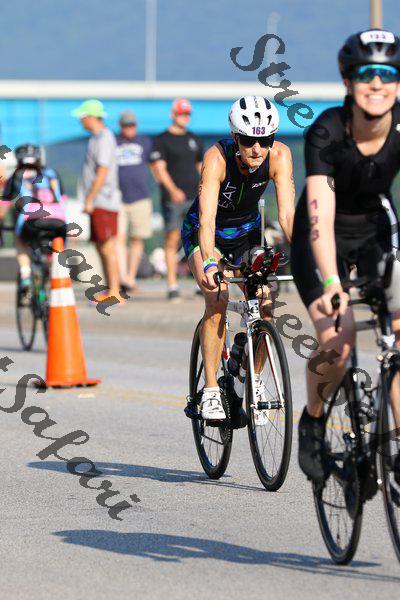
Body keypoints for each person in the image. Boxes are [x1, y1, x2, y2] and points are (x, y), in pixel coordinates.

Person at [291, 29, 400, 484]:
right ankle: (314, 421)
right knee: (340, 338)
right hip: (321, 235)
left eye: (387, 74)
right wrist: (333, 282)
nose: (377, 83)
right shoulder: (328, 131)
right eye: (366, 73)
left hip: (375, 230)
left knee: (398, 332)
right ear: (348, 82)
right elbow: (319, 217)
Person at [182, 96, 294, 419]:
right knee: (217, 296)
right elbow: (206, 221)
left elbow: (287, 217)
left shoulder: (280, 156)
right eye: (248, 141)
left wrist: (311, 257)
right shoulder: (216, 158)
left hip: (246, 235)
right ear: (235, 137)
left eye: (265, 140)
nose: (257, 149)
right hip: (209, 235)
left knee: (266, 303)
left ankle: (252, 380)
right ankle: (210, 391)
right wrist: (209, 263)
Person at [151, 98, 204, 301]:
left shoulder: (194, 139)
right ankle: (172, 285)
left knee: (198, 239)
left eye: (187, 114)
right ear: (173, 114)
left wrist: (207, 187)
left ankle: (200, 283)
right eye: (181, 113)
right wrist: (173, 190)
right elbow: (159, 168)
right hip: (172, 199)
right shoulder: (162, 139)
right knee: (172, 239)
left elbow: (201, 166)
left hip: (194, 196)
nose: (184, 117)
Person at [72, 99, 123, 303]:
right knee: (100, 246)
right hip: (97, 202)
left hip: (104, 201)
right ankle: (110, 288)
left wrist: (90, 198)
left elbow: (102, 171)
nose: (80, 121)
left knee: (108, 246)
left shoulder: (104, 138)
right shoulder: (96, 138)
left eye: (82, 117)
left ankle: (116, 291)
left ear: (92, 117)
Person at [0, 143, 67, 287]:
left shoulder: (16, 175)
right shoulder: (52, 173)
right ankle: (52, 263)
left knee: (20, 239)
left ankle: (25, 274)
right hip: (59, 221)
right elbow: (62, 199)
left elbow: (4, 205)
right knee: (58, 241)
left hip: (32, 221)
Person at [116, 109, 153, 292]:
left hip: (141, 197)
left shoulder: (144, 142)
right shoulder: (114, 142)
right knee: (119, 238)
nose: (129, 128)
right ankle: (122, 277)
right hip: (118, 198)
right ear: (120, 126)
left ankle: (131, 277)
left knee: (137, 238)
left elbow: (155, 166)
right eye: (125, 125)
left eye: (131, 125)